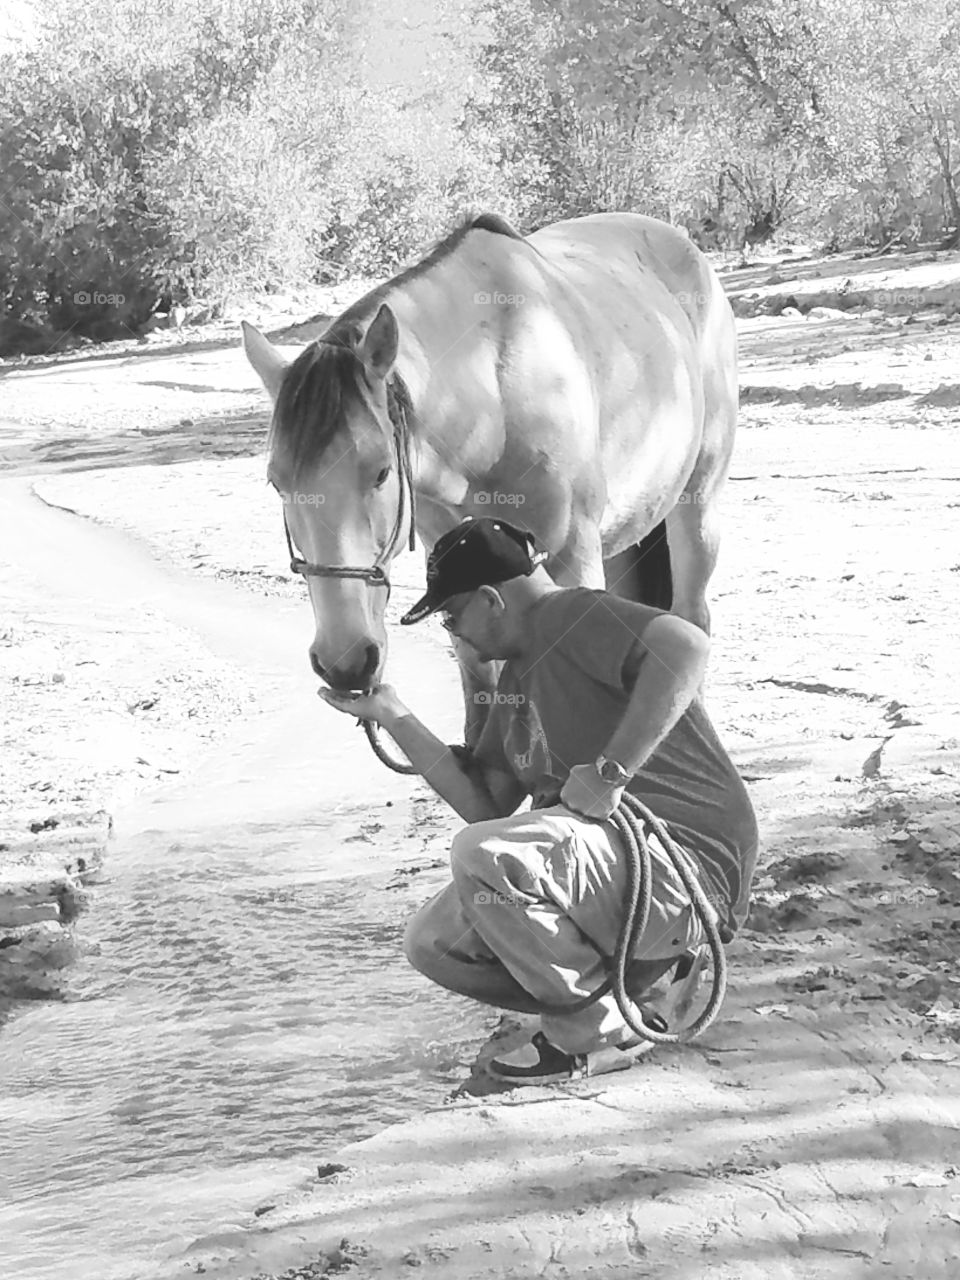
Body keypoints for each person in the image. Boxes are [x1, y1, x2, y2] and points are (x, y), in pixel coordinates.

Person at [320, 516, 759, 1085]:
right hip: (625, 881)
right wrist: (392, 715)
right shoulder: (518, 674)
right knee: (433, 943)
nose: (456, 634)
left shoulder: (570, 615)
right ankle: (628, 998)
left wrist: (609, 772)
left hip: (684, 867)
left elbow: (685, 645)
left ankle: (595, 1034)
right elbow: (486, 805)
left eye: (452, 617)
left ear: (489, 600)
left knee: (485, 855)